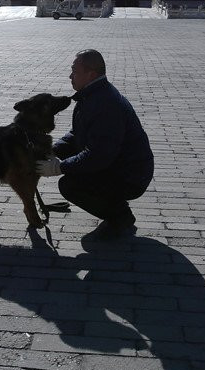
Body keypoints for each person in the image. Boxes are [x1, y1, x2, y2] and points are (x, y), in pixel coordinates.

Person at [36, 49, 154, 240]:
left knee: (70, 185)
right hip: (119, 165)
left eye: (74, 71)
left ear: (91, 74)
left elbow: (98, 155)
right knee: (74, 173)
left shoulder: (104, 104)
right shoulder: (92, 94)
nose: (70, 76)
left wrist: (59, 167)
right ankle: (118, 209)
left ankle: (120, 217)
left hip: (130, 176)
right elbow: (77, 134)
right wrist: (53, 150)